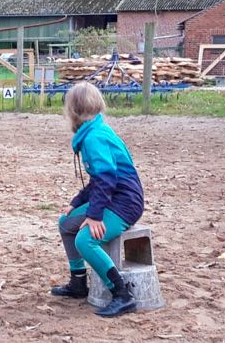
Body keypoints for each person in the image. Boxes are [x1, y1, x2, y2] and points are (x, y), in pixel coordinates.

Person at [51, 82, 144, 318]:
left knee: (86, 240)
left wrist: (94, 215)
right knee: (66, 222)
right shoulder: (94, 131)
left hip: (124, 203)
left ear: (72, 111)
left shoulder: (94, 138)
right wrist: (77, 201)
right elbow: (98, 181)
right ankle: (78, 283)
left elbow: (106, 179)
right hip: (113, 196)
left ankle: (122, 295)